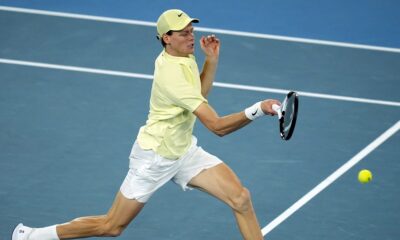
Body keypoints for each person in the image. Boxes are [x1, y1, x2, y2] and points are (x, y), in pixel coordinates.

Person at [12, 9, 280, 240]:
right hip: (155, 157)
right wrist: (257, 109)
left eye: (191, 31)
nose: (192, 37)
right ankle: (33, 236)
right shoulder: (172, 75)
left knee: (241, 198)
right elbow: (217, 127)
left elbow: (199, 94)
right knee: (111, 226)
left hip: (183, 150)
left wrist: (211, 60)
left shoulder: (182, 56)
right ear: (167, 38)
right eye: (184, 33)